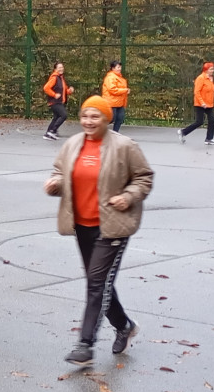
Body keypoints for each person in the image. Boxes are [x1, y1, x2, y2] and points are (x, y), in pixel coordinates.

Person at [44, 96, 154, 367]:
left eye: (95, 116)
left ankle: (85, 345)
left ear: (107, 118)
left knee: (96, 283)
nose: (89, 121)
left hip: (113, 226)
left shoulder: (125, 146)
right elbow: (60, 172)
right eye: (85, 116)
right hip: (83, 225)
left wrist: (128, 197)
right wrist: (55, 183)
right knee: (100, 283)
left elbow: (144, 177)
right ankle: (125, 326)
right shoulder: (73, 144)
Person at [177, 62, 214, 145]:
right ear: (206, 70)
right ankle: (183, 132)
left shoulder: (211, 79)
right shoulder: (200, 78)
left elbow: (211, 91)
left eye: (213, 69)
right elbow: (197, 92)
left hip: (209, 104)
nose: (212, 71)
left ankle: (209, 139)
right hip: (200, 104)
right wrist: (202, 102)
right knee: (199, 122)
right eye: (211, 69)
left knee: (212, 120)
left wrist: (210, 102)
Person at [43, 62, 74, 141]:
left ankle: (48, 133)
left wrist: (69, 91)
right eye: (59, 67)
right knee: (64, 115)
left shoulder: (61, 78)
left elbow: (64, 90)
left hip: (59, 101)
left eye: (62, 67)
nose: (61, 69)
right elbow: (46, 88)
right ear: (55, 69)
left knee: (56, 117)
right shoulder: (54, 78)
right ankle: (52, 131)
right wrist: (54, 94)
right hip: (54, 101)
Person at [101, 60, 129, 132]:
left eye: (120, 67)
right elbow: (112, 90)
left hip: (120, 102)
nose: (120, 69)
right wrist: (125, 90)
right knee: (111, 118)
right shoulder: (110, 77)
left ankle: (115, 133)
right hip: (111, 102)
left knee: (120, 118)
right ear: (113, 68)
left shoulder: (121, 78)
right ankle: (99, 128)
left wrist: (125, 91)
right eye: (118, 67)